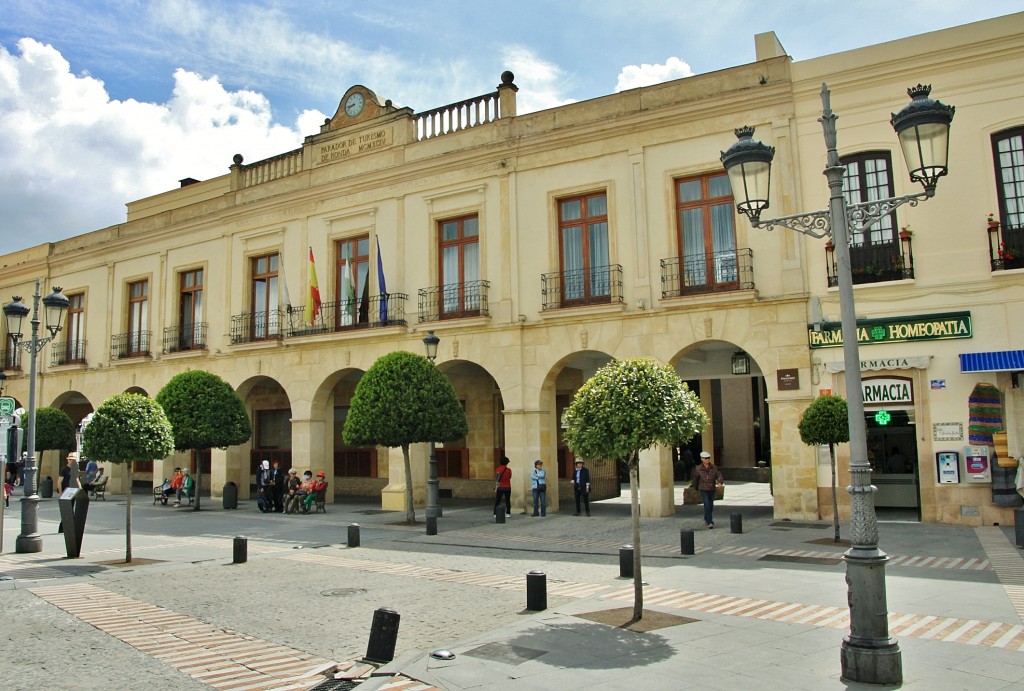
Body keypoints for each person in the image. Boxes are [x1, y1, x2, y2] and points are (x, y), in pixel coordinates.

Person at [693, 451, 724, 528]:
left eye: (708, 458)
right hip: (703, 489)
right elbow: (696, 478)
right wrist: (695, 487)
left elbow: (718, 475)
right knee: (706, 504)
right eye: (705, 458)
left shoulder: (713, 467)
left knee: (710, 505)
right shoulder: (699, 468)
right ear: (702, 459)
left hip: (711, 488)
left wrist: (720, 482)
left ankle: (706, 517)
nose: (707, 460)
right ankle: (710, 522)